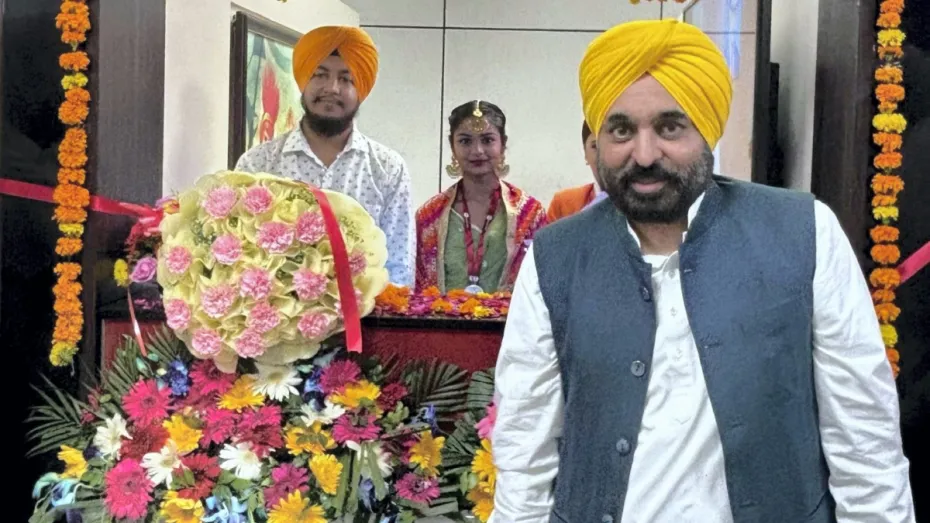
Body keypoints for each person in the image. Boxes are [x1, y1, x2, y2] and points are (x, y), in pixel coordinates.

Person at [491, 19, 914, 523]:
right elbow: (524, 452)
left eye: (670, 127)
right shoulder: (555, 257)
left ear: (707, 130)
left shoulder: (804, 232)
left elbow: (865, 442)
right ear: (596, 139)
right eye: (621, 130)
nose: (644, 154)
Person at [235, 26, 415, 286]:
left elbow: (399, 269)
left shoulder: (388, 169)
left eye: (346, 79)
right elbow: (240, 258)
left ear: (361, 89)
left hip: (367, 312)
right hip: (274, 310)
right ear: (303, 81)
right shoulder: (257, 164)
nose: (332, 88)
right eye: (320, 75)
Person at [415, 100, 547, 293]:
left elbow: (541, 283)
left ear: (503, 145)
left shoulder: (530, 213)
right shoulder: (429, 216)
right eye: (465, 141)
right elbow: (418, 288)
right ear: (452, 146)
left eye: (487, 140)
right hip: (439, 313)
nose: (477, 151)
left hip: (511, 313)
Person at [545, 121, 601, 222]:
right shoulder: (564, 205)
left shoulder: (633, 202)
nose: (605, 155)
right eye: (595, 146)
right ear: (585, 154)